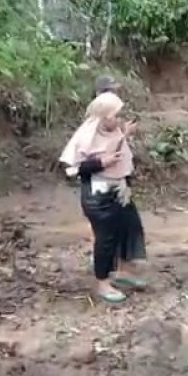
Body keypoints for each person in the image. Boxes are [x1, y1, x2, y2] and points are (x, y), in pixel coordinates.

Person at [59, 92, 147, 304]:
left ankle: (123, 273)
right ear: (103, 117)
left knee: (130, 228)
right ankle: (103, 283)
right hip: (99, 196)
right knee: (106, 239)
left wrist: (125, 133)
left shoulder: (113, 130)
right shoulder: (86, 136)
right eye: (114, 116)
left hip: (120, 189)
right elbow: (74, 168)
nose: (118, 119)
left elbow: (115, 146)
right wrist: (101, 162)